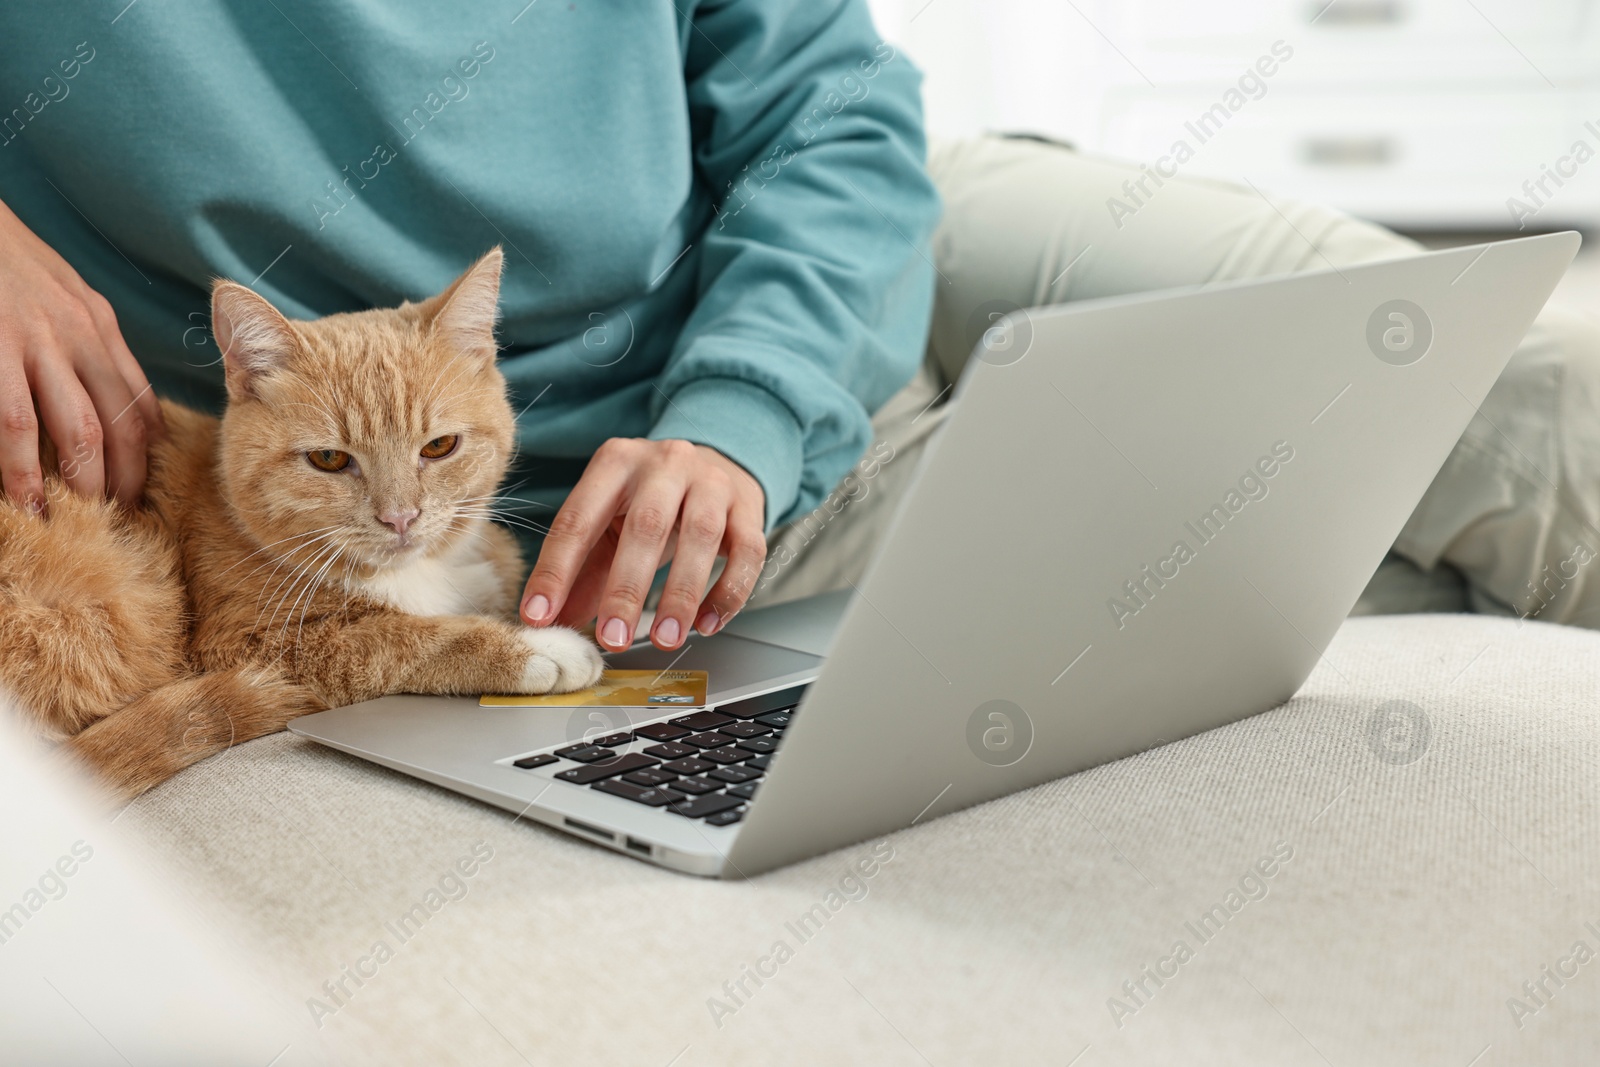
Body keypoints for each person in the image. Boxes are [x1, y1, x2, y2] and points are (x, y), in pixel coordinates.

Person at [3, 1, 1599, 658]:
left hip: (811, 264)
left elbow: (827, 98)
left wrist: (742, 412)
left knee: (1516, 373)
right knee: (1328, 582)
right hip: (484, 510)